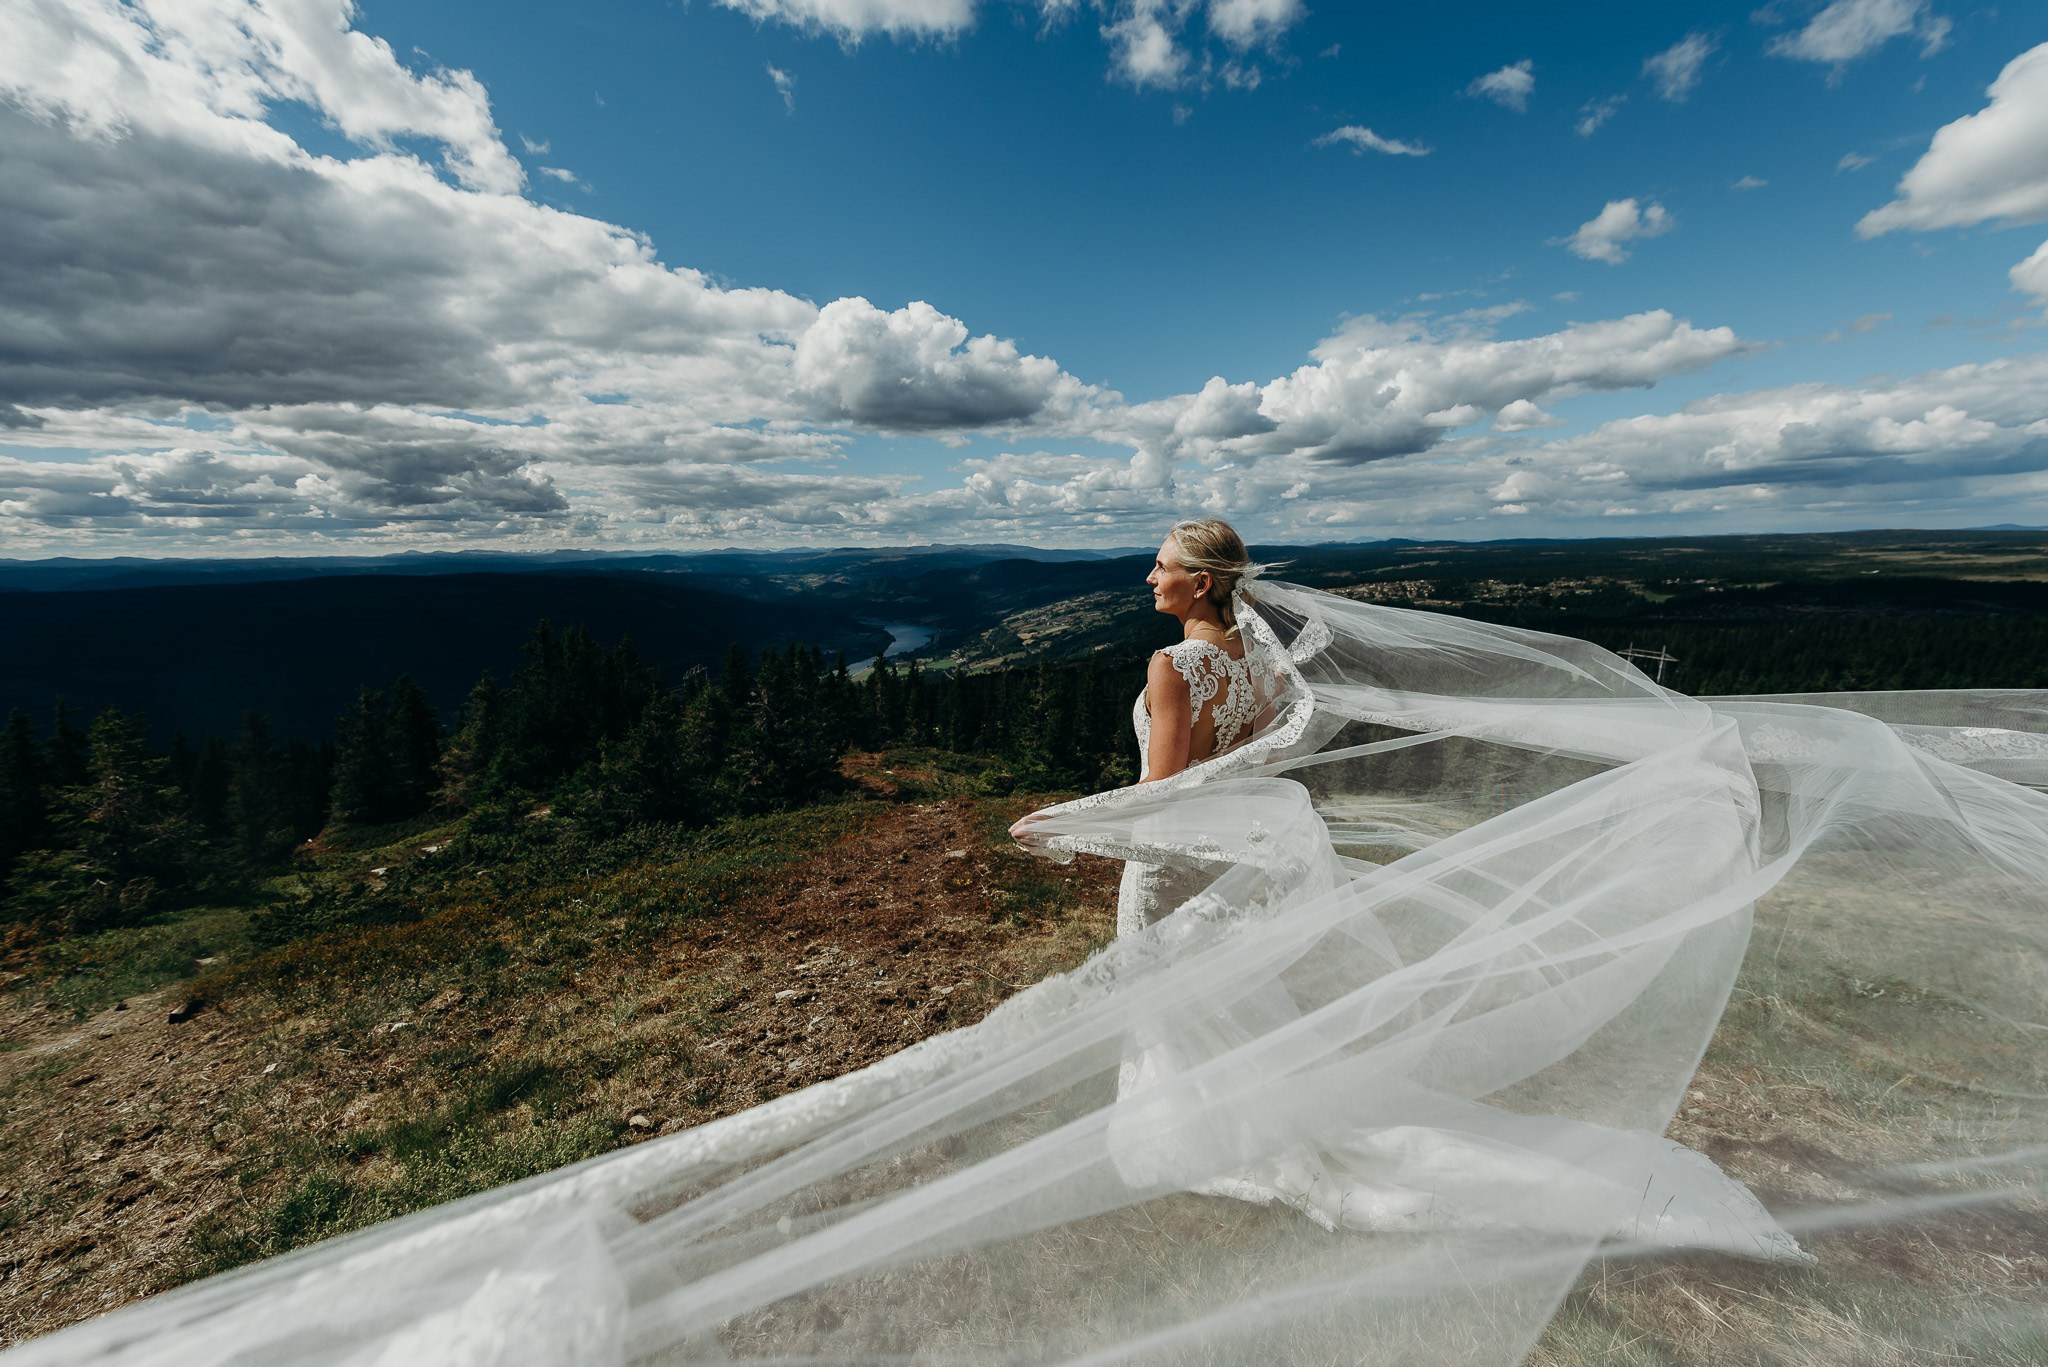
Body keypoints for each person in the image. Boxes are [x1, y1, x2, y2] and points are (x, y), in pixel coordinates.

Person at [14, 535, 2048, 1365]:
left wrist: (1069, 827)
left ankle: (1223, 1140)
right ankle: (1248, 1125)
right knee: (1240, 1036)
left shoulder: (1170, 678)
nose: (1157, 590)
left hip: (1206, 866)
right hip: (1299, 863)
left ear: (1186, 587)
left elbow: (1166, 798)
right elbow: (1281, 780)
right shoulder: (1270, 672)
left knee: (1169, 1043)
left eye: (1164, 571)